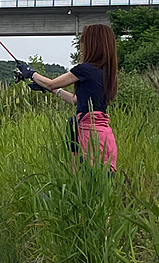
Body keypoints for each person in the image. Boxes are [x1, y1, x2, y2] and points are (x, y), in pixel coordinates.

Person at [17, 23, 118, 172]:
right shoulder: (106, 72)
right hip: (104, 136)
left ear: (91, 43)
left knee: (85, 181)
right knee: (101, 183)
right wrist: (52, 90)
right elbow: (75, 100)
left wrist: (29, 72)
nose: (81, 45)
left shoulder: (84, 69)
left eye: (83, 40)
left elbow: (50, 83)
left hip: (89, 136)